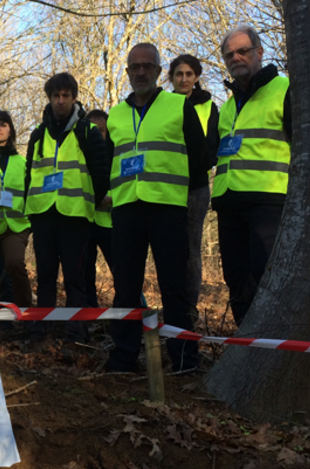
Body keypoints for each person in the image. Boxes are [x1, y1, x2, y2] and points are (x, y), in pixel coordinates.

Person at [104, 43, 209, 374]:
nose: (140, 72)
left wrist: (181, 198)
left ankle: (183, 361)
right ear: (127, 72)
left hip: (167, 208)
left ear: (159, 71)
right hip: (125, 211)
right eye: (134, 67)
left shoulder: (178, 106)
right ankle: (123, 358)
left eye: (147, 66)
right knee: (125, 288)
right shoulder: (116, 114)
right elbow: (110, 160)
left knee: (173, 287)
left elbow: (199, 158)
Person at [212, 26, 291, 325]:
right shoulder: (229, 105)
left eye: (243, 50)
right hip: (229, 203)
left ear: (259, 52)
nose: (236, 57)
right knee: (236, 280)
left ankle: (274, 344)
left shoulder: (284, 90)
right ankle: (246, 344)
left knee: (267, 278)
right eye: (229, 54)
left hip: (268, 202)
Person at [24, 73, 110, 343]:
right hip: (43, 216)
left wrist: (89, 203)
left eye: (65, 96)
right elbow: (29, 175)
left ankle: (77, 334)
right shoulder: (38, 135)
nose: (60, 101)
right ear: (49, 98)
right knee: (45, 277)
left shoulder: (87, 131)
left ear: (74, 98)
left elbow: (101, 174)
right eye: (55, 96)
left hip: (75, 216)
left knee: (76, 279)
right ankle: (41, 332)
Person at [169, 54, 220, 318]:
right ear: (171, 78)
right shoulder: (163, 105)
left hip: (196, 186)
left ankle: (188, 307)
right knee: (167, 246)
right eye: (179, 74)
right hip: (165, 185)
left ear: (197, 77)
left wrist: (193, 167)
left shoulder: (208, 107)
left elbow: (213, 147)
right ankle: (171, 304)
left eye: (189, 74)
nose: (184, 79)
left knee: (191, 248)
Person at [0, 110, 33, 311]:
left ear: (10, 130)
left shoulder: (21, 162)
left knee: (14, 264)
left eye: (3, 124)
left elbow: (30, 191)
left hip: (16, 224)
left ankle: (26, 311)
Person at [84, 109, 114, 308]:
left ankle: (132, 313)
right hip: (85, 221)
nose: (97, 135)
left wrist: (112, 199)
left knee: (124, 271)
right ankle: (89, 315)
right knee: (85, 273)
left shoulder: (117, 152)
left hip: (112, 223)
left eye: (100, 131)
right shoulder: (79, 154)